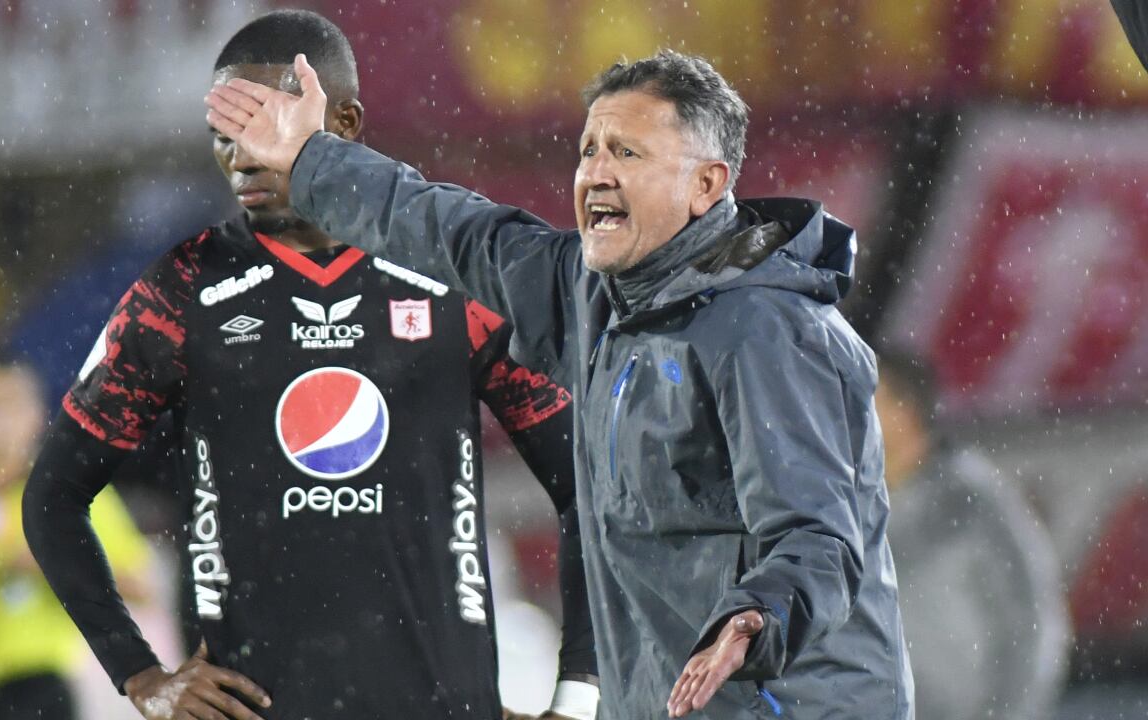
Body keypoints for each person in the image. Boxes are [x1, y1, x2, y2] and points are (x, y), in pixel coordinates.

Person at [206, 48, 914, 719]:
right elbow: (445, 227)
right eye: (588, 150)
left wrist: (759, 616)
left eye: (627, 153)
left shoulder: (768, 333)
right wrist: (311, 158)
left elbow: (817, 536)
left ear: (706, 185)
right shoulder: (598, 296)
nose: (596, 173)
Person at [23, 10, 597, 720]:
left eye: (262, 124)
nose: (239, 155)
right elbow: (51, 496)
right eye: (223, 133)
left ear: (344, 123)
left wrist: (577, 697)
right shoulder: (180, 292)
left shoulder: (453, 273)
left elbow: (587, 486)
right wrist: (138, 673)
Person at [0, 356, 148, 720]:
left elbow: (140, 586)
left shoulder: (69, 497)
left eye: (10, 405)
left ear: (37, 415)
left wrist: (41, 562)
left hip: (40, 688)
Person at [875, 353, 1069, 720]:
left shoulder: (973, 502)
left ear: (907, 411)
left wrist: (1009, 713)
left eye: (871, 398)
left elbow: (1033, 620)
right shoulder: (849, 505)